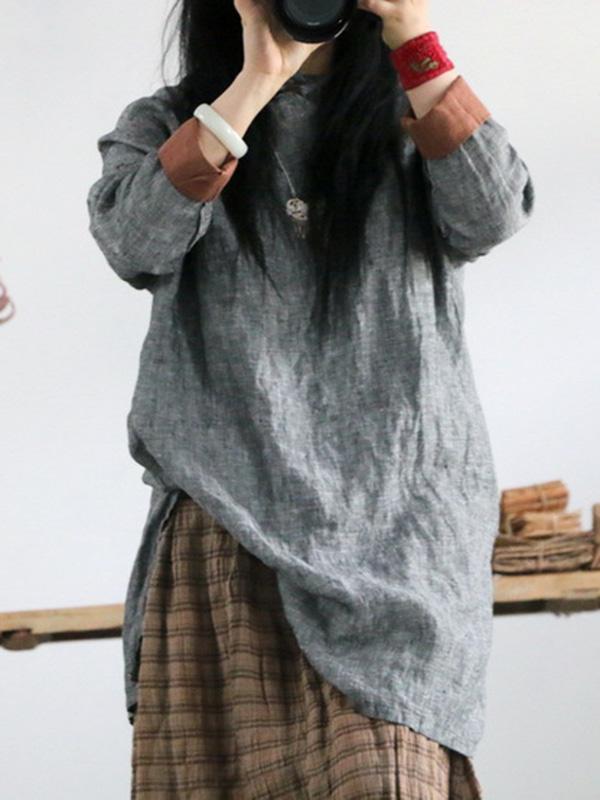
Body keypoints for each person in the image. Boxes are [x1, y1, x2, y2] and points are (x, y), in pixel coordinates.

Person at [86, 0, 535, 795]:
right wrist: (256, 80)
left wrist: (413, 37)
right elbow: (135, 242)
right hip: (231, 529)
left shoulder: (410, 108)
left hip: (401, 535)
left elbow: (492, 212)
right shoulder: (170, 121)